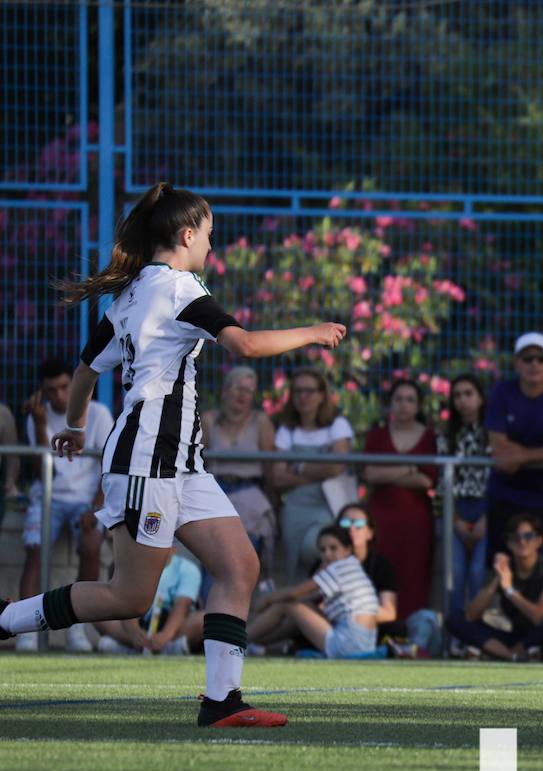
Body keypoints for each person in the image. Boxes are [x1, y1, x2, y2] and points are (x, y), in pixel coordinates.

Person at [0, 181, 346, 726]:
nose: (212, 246)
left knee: (239, 565)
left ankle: (222, 702)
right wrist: (313, 332)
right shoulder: (181, 289)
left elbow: (87, 368)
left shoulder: (132, 294)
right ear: (187, 235)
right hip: (147, 461)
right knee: (130, 597)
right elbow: (246, 345)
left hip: (181, 463)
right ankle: (7, 618)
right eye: (209, 235)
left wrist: (74, 425)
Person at [14, 357, 115, 652]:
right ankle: (25, 634)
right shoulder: (39, 417)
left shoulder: (98, 414)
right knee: (35, 552)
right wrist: (41, 424)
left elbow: (108, 467)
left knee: (91, 545)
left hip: (86, 499)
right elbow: (45, 470)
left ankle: (77, 629)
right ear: (42, 392)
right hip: (48, 495)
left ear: (74, 385)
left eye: (64, 387)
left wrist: (95, 508)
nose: (59, 395)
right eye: (51, 390)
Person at [485, 332, 543, 564]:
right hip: (504, 498)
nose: (534, 364)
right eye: (527, 359)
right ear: (516, 363)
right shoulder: (501, 392)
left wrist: (520, 456)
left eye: (541, 358)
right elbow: (498, 446)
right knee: (499, 570)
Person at [449, 513, 543, 660]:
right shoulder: (505, 569)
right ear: (509, 543)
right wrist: (497, 578)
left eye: (528, 536)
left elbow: (540, 617)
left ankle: (514, 652)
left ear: (538, 541)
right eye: (515, 537)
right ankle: (512, 656)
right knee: (455, 618)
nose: (522, 541)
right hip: (517, 636)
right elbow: (470, 616)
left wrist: (509, 590)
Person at [362, 378, 438, 619]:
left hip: (416, 520)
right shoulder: (377, 435)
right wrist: (409, 469)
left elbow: (427, 481)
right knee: (381, 569)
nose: (404, 404)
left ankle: (412, 632)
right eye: (398, 399)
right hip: (381, 516)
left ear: (418, 405)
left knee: (414, 574)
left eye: (410, 400)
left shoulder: (430, 438)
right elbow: (370, 474)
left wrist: (389, 473)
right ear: (390, 404)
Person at [246, 525, 383, 659]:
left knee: (287, 605)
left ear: (348, 550)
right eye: (323, 550)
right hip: (365, 645)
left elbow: (295, 593)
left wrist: (267, 600)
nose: (327, 554)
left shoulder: (338, 568)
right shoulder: (352, 566)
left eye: (333, 548)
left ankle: (238, 641)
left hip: (346, 644)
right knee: (300, 613)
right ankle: (254, 643)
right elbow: (309, 600)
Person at [272, 367, 353, 583]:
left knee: (315, 548)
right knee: (295, 564)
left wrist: (297, 467)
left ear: (321, 395)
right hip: (295, 509)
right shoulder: (287, 430)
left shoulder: (337, 425)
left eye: (309, 390)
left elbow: (337, 467)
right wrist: (319, 469)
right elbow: (278, 477)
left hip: (327, 506)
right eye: (298, 391)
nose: (303, 397)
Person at [201, 365, 277, 588]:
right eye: (238, 388)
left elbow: (269, 467)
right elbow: (197, 461)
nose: (242, 395)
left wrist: (273, 501)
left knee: (243, 557)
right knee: (210, 558)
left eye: (249, 390)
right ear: (225, 391)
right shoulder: (209, 420)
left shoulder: (260, 422)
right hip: (215, 493)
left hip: (249, 494)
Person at [439, 374, 490, 612]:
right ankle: (454, 639)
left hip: (486, 508)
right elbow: (442, 483)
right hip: (455, 509)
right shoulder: (445, 436)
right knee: (455, 574)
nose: (462, 400)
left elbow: (499, 478)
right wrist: (455, 520)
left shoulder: (494, 433)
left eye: (468, 393)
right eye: (457, 395)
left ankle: (475, 636)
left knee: (479, 572)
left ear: (481, 398)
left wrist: (487, 518)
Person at [94, 549, 201, 656]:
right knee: (98, 610)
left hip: (173, 626)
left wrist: (165, 635)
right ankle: (144, 646)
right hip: (136, 620)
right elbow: (125, 600)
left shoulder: (188, 569)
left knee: (203, 620)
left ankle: (155, 647)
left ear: (173, 548)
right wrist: (133, 632)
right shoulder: (133, 564)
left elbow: (182, 606)